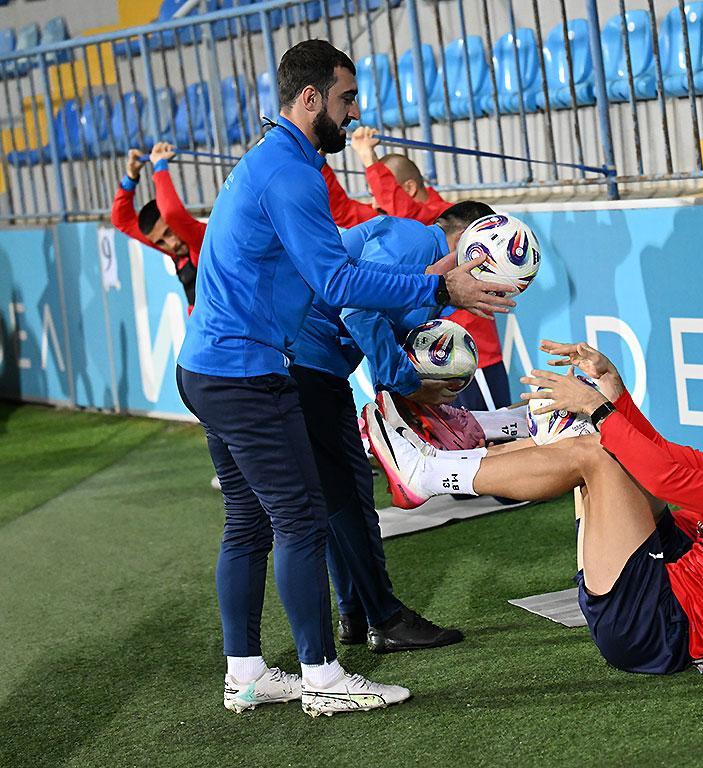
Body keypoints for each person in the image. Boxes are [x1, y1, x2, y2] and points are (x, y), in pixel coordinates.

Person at [175, 39, 513, 717]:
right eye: (346, 98)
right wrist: (440, 286)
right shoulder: (289, 173)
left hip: (209, 367)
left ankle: (246, 674)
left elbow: (334, 275)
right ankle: (323, 678)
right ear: (310, 98)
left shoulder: (276, 162)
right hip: (244, 372)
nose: (354, 113)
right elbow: (338, 283)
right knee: (300, 520)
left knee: (248, 522)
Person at [365, 344, 703, 674]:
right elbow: (662, 455)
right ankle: (467, 443)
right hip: (676, 580)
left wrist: (600, 411)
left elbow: (669, 479)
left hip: (660, 630)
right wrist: (613, 392)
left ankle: (429, 473)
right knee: (606, 442)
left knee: (599, 452)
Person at [288, 200, 495, 654]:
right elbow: (358, 310)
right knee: (346, 499)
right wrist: (407, 383)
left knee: (338, 499)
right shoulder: (414, 239)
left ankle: (356, 613)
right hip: (306, 365)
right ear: (468, 241)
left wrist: (407, 390)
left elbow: (375, 320)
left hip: (309, 365)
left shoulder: (415, 249)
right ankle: (383, 619)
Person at [350, 126, 510, 411]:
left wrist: (368, 159)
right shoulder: (407, 230)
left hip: (465, 350)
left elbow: (402, 208)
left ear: (408, 189)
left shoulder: (443, 218)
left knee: (488, 431)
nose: (376, 202)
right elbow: (343, 209)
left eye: (380, 190)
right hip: (431, 355)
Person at [110, 142, 206, 313]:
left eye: (169, 231)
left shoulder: (201, 240)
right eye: (160, 242)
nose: (172, 244)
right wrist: (131, 177)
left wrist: (160, 166)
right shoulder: (175, 250)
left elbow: (171, 213)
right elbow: (121, 220)